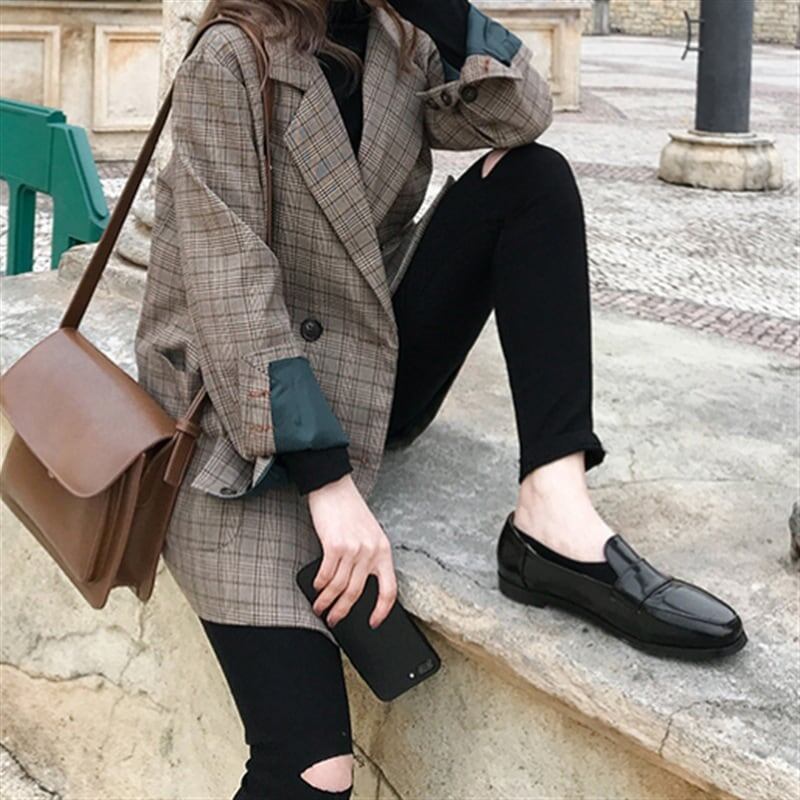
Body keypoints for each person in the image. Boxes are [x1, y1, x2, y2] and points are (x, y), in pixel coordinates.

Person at [135, 1, 747, 796]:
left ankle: (553, 513)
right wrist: (328, 484)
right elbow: (232, 292)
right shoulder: (231, 54)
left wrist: (445, 13)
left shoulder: (401, 37)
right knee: (312, 768)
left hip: (371, 368)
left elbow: (522, 115)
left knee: (534, 177)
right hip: (238, 418)